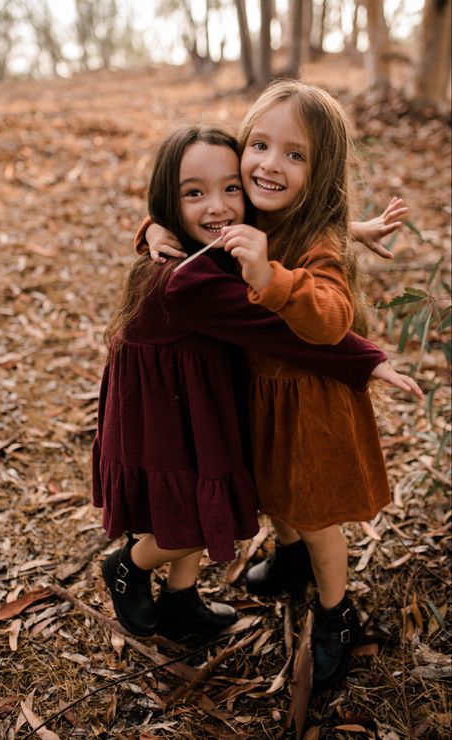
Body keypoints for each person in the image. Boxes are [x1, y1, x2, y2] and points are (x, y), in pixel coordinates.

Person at [140, 82, 422, 688]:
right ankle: (289, 559)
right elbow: (199, 206)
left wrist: (272, 273)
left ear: (318, 173)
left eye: (295, 155)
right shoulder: (250, 207)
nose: (270, 163)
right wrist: (152, 231)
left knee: (315, 511)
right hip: (258, 392)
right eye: (260, 144)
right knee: (274, 490)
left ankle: (335, 614)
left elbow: (329, 317)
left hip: (309, 400)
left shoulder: (318, 242)